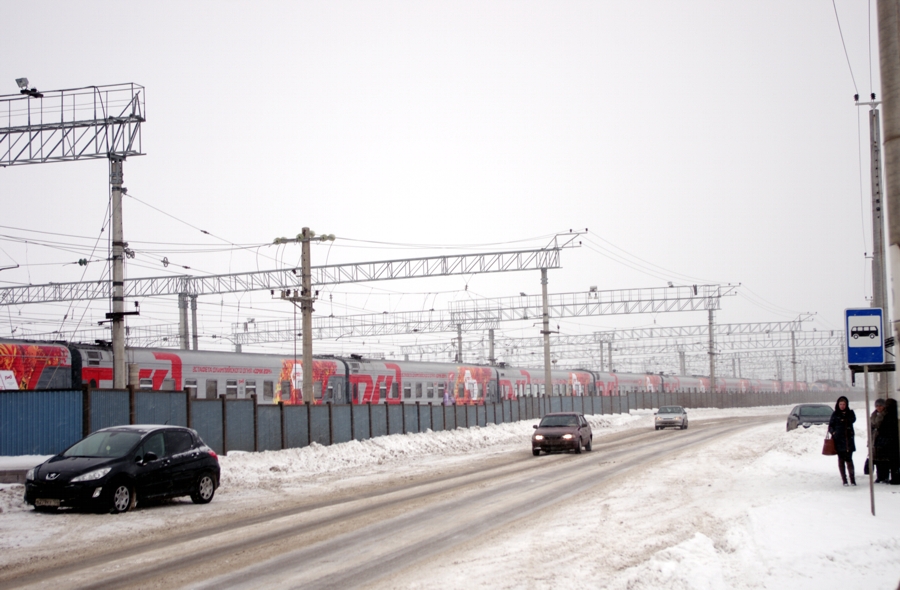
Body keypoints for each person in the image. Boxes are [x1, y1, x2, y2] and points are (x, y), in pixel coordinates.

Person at [828, 395, 856, 486]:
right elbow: (830, 426)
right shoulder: (835, 414)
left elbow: (853, 419)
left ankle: (852, 479)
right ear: (838, 404)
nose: (842, 406)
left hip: (848, 440)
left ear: (846, 404)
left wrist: (845, 417)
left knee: (849, 459)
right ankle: (844, 480)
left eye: (844, 404)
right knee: (841, 460)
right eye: (841, 404)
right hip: (839, 441)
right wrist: (834, 433)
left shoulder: (850, 413)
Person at [880, 398, 900, 485]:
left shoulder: (887, 415)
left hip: (889, 442)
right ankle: (896, 477)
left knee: (891, 461)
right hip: (895, 441)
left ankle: (893, 477)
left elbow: (882, 428)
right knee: (895, 461)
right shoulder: (896, 415)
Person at [871, 398, 889, 483]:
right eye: (877, 406)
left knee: (884, 459)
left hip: (883, 438)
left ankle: (885, 476)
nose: (879, 407)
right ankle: (879, 476)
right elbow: (871, 426)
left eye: (880, 405)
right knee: (877, 459)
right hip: (875, 438)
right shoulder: (874, 414)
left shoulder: (886, 414)